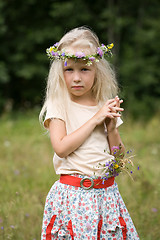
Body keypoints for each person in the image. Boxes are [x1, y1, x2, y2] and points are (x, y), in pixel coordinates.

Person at [40, 26, 139, 240]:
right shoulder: (59, 105)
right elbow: (61, 148)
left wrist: (111, 129)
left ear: (97, 71)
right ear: (60, 71)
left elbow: (119, 158)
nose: (77, 77)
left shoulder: (103, 105)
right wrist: (95, 120)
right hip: (74, 197)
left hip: (107, 196)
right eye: (69, 70)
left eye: (85, 69)